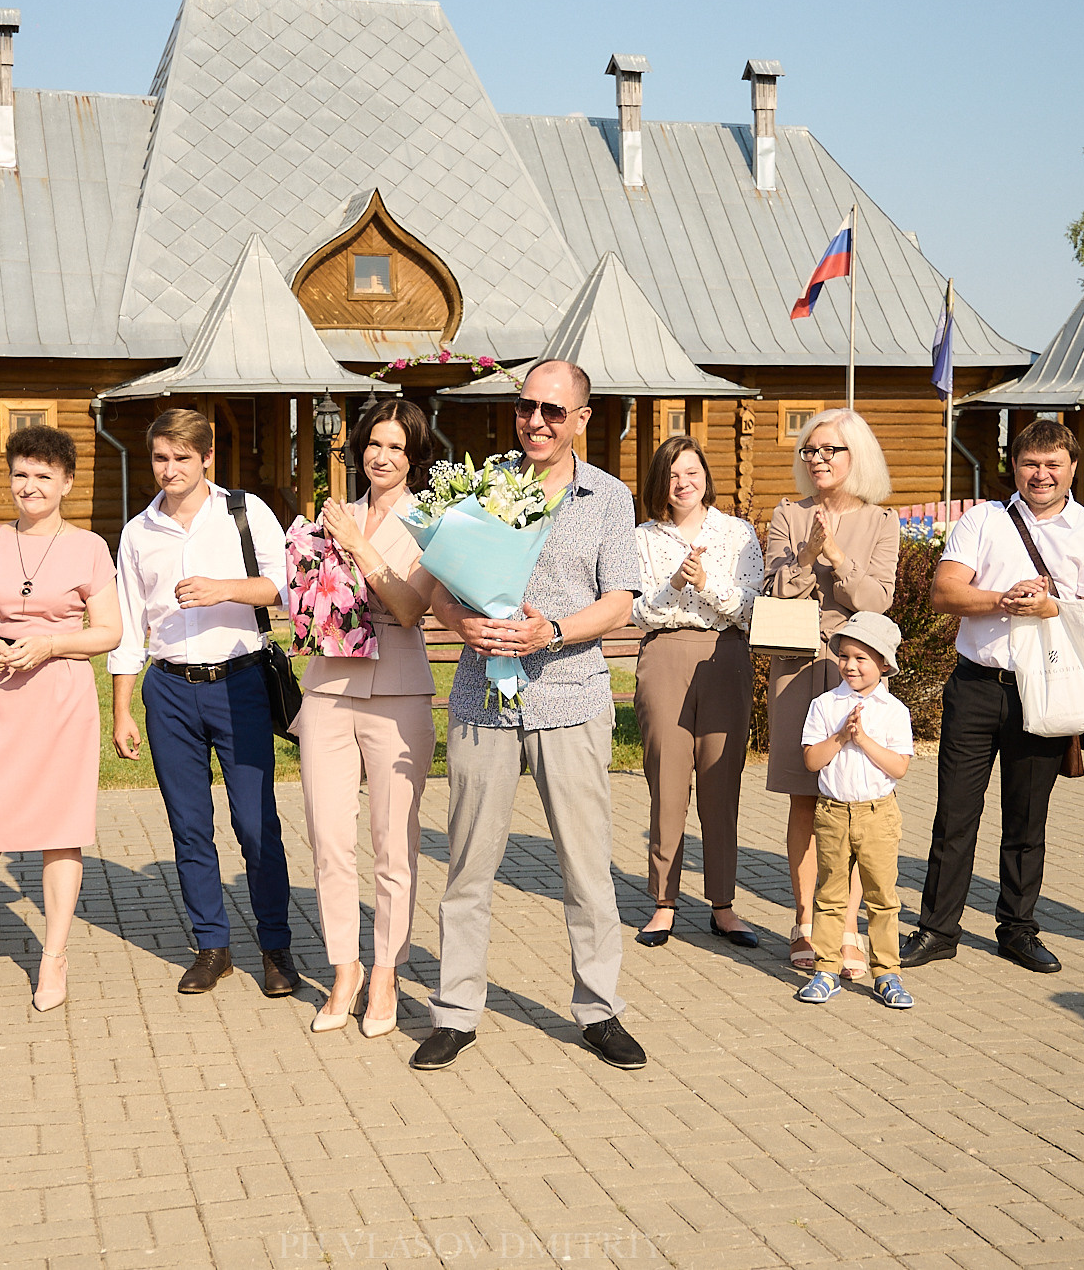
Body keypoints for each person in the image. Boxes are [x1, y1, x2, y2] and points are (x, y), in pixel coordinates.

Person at [417, 359, 647, 1072]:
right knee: (467, 867)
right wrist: (462, 626)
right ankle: (457, 1012)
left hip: (571, 697)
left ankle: (599, 1009)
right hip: (483, 698)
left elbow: (621, 601)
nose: (535, 422)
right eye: (525, 408)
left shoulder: (608, 498)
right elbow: (442, 586)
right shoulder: (480, 486)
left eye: (552, 410)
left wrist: (555, 631)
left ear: (581, 418)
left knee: (585, 869)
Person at [901, 419, 1084, 975]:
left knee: (1026, 820)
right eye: (1031, 464)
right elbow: (944, 591)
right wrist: (1003, 599)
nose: (1041, 474)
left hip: (1041, 691)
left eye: (1053, 465)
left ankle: (1018, 929)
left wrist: (1053, 608)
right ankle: (937, 928)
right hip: (977, 685)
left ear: (1073, 469)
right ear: (1015, 467)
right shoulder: (984, 519)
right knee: (954, 815)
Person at [109, 408, 296, 998]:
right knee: (189, 827)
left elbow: (283, 585)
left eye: (182, 458)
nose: (169, 469)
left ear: (207, 458)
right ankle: (212, 946)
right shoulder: (138, 531)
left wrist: (223, 590)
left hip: (238, 682)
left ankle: (277, 948)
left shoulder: (244, 511)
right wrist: (121, 709)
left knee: (254, 821)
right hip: (167, 689)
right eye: (160, 458)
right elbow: (129, 625)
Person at [0, 425, 121, 1017]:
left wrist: (49, 644)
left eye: (44, 475)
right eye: (21, 473)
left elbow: (109, 632)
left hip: (60, 693)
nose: (30, 485)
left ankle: (54, 958)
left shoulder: (90, 546)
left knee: (59, 833)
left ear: (66, 482)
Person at [295, 399, 440, 1036]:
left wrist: (358, 548)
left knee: (393, 846)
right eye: (373, 445)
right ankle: (344, 967)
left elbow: (411, 609)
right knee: (329, 839)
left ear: (414, 457)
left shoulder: (434, 521)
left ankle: (386, 969)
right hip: (328, 687)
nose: (380, 457)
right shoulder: (333, 514)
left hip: (400, 693)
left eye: (395, 448)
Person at [762, 408, 900, 977]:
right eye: (809, 451)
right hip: (796, 667)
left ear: (856, 457)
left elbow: (878, 600)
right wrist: (807, 552)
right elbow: (771, 587)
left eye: (829, 450)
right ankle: (802, 921)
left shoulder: (881, 521)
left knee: (846, 802)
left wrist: (839, 557)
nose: (816, 459)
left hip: (853, 671)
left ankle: (845, 930)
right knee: (804, 796)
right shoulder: (785, 514)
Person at [631, 435, 762, 950]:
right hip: (664, 653)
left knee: (720, 779)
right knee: (666, 777)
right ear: (659, 482)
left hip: (725, 654)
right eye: (671, 474)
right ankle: (663, 903)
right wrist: (676, 589)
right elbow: (634, 609)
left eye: (691, 472)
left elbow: (751, 608)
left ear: (706, 475)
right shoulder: (643, 538)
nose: (683, 483)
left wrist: (706, 583)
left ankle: (723, 905)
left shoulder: (736, 533)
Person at [795, 612, 915, 1011]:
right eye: (845, 656)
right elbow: (812, 761)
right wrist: (841, 736)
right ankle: (826, 970)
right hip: (832, 812)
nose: (850, 665)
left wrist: (862, 740)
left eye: (861, 658)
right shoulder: (825, 705)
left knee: (881, 896)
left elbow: (898, 767)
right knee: (829, 894)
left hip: (878, 814)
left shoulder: (894, 710)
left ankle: (887, 974)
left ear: (883, 664)